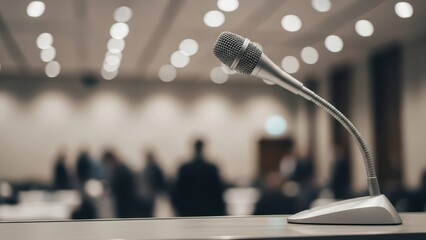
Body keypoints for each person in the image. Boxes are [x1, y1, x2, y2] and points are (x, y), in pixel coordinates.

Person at [172, 139, 225, 216]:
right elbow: (218, 191)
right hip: (209, 209)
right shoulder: (211, 168)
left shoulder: (185, 168)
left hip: (188, 209)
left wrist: (177, 208)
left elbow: (178, 191)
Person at [102, 150, 152, 218]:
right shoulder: (122, 168)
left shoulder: (119, 171)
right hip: (128, 204)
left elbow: (118, 188)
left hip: (126, 205)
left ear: (109, 160)